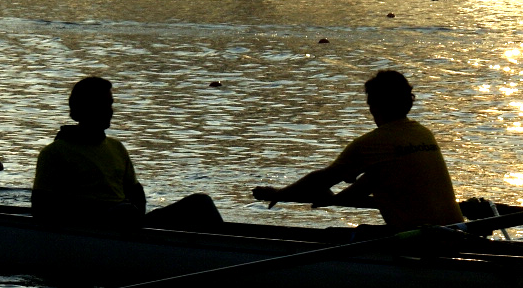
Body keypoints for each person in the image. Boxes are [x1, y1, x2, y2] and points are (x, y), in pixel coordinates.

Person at [250, 69, 463, 228]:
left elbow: (323, 179)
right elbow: (370, 182)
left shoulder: (373, 142)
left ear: (373, 105)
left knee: (339, 236)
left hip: (422, 243)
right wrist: (334, 201)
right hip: (457, 233)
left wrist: (280, 193)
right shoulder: (423, 134)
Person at [32, 76, 224, 231]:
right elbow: (42, 210)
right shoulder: (55, 153)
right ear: (83, 109)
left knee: (201, 203)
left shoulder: (116, 147)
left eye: (110, 104)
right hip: (93, 228)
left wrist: (134, 217)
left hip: (127, 223)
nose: (109, 111)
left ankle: (226, 247)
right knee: (121, 212)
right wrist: (100, 215)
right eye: (102, 105)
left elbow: (136, 193)